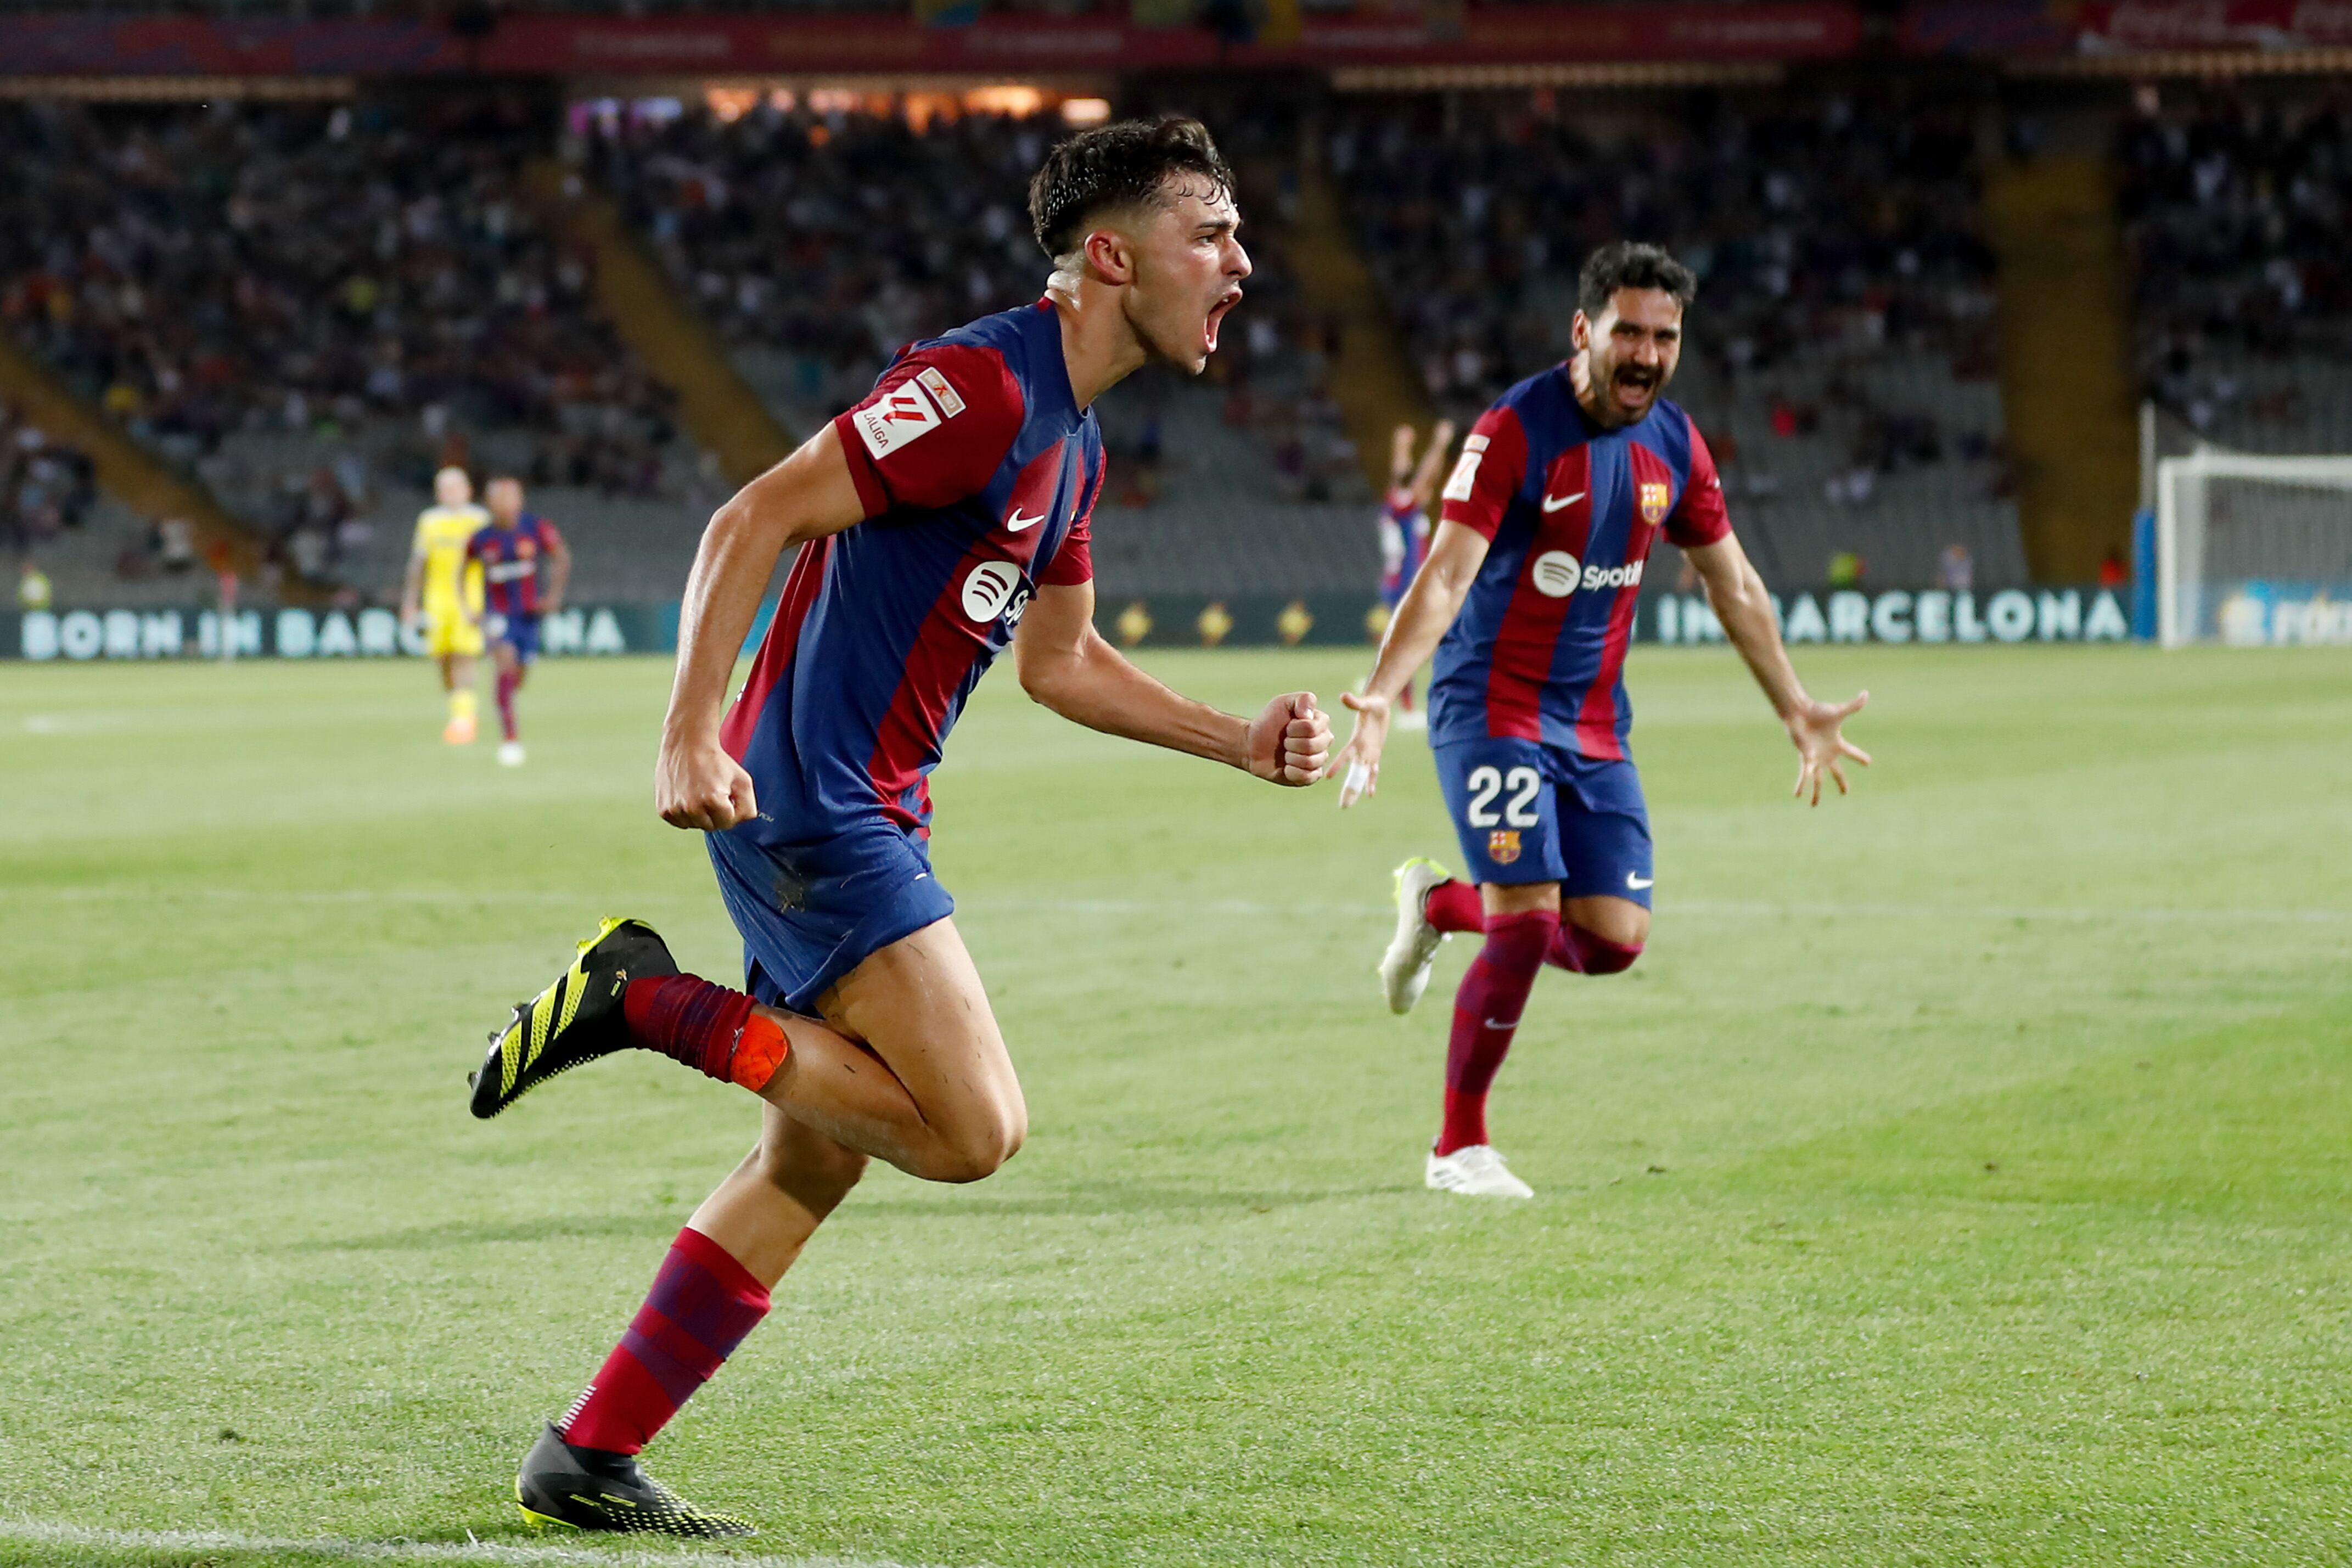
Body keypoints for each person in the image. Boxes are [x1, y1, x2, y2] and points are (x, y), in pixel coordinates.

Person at [462, 117, 1330, 1536]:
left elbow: (1061, 663)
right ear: (1111, 255)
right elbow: (755, 514)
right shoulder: (981, 386)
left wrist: (1230, 741)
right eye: (1211, 234)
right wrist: (686, 727)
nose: (1239, 263)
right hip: (812, 798)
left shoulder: (1075, 444)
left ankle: (588, 1451)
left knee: (812, 1151)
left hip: (851, 805)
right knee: (974, 1128)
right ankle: (642, 998)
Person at [1331, 241, 1870, 1201]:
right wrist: (1380, 692)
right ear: (1584, 331)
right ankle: (1458, 1145)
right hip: (1490, 705)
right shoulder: (1513, 432)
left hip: (1592, 723)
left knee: (1614, 939)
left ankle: (1440, 904)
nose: (1647, 355)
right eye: (1628, 332)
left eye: (1665, 337)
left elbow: (1732, 581)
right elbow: (1448, 572)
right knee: (1532, 921)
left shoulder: (1676, 446)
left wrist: (1796, 705)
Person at [466, 477, 570, 768]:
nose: (505, 504)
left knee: (518, 677)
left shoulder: (536, 528)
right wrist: (468, 607)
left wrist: (552, 596)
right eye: (499, 498)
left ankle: (503, 695)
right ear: (489, 504)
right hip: (497, 614)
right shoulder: (481, 538)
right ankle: (510, 740)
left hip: (528, 614)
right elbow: (462, 570)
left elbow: (561, 557)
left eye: (510, 498)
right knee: (505, 664)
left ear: (520, 501)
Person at [1372, 417, 1456, 729]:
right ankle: (1403, 705)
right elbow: (1424, 479)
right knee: (1411, 643)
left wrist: (1402, 446)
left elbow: (1404, 476)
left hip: (1401, 582)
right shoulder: (1404, 505)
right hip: (1405, 583)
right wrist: (1439, 443)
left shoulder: (1396, 502)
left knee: (1406, 642)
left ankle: (1391, 696)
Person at [398, 467, 489, 744]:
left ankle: (464, 720)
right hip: (437, 601)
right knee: (444, 661)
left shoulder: (480, 520)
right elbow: (418, 564)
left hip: (470, 600)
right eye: (445, 489)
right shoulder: (429, 521)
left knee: (465, 656)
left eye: (456, 487)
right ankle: (460, 712)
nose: (451, 494)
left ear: (468, 490)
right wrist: (410, 602)